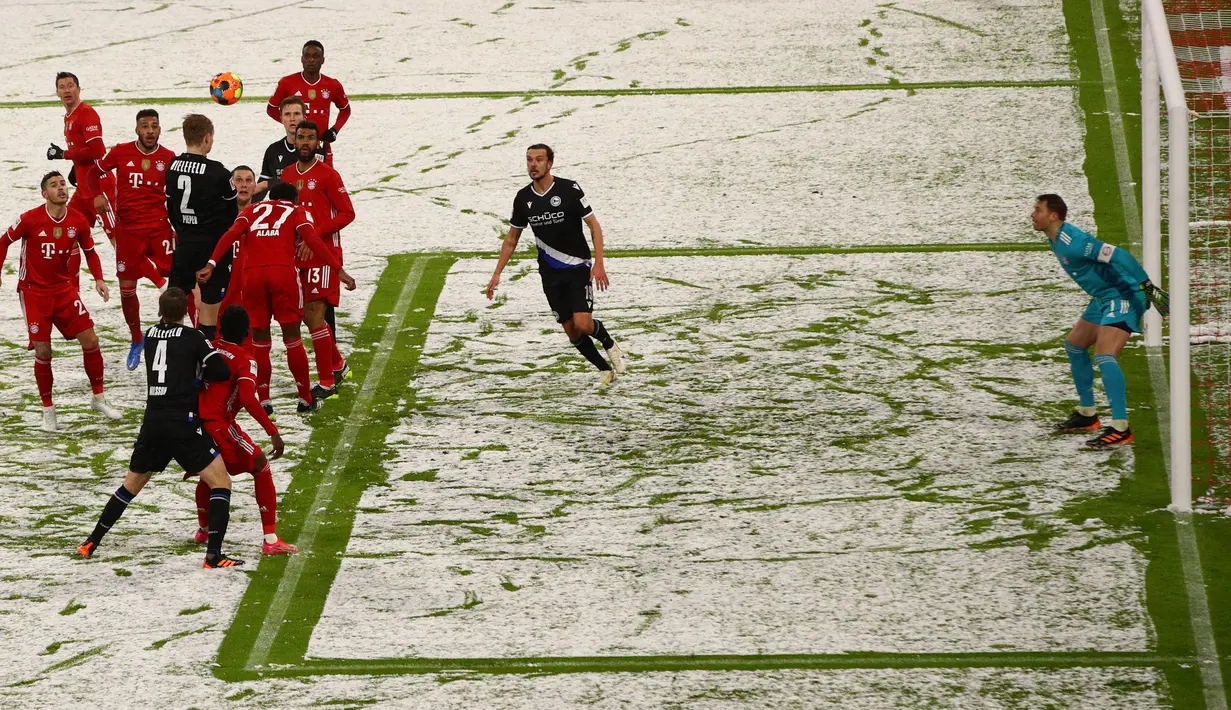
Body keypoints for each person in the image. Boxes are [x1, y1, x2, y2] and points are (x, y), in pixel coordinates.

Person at [77, 288, 244, 568]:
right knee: (221, 482)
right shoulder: (194, 337)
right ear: (184, 311)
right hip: (182, 423)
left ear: (161, 310)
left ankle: (92, 540)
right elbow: (221, 372)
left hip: (153, 421)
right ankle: (213, 555)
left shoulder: (151, 335)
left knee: (130, 486)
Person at [196, 182, 355, 413]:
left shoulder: (252, 210)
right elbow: (311, 239)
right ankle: (304, 398)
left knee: (260, 340)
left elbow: (231, 234)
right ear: (294, 200)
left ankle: (264, 400)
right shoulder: (296, 210)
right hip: (282, 274)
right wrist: (338, 270)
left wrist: (211, 264)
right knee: (292, 338)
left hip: (252, 276)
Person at [1032, 194, 1170, 448]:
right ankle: (1088, 415)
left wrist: (1149, 288)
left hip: (1123, 295)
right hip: (1104, 297)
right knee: (1074, 345)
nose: (1032, 214)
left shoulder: (1074, 241)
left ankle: (1121, 428)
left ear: (1053, 216)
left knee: (1105, 356)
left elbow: (1119, 256)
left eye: (1038, 210)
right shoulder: (1054, 239)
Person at [486, 144, 629, 386]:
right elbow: (511, 239)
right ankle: (605, 370)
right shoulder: (523, 198)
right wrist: (496, 273)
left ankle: (609, 343)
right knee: (571, 331)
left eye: (539, 160)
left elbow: (594, 225)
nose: (533, 164)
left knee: (583, 323)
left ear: (549, 164)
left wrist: (599, 263)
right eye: (529, 160)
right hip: (549, 274)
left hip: (577, 268)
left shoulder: (568, 189)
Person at [0, 172, 120, 431]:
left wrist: (99, 279)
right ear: (45, 194)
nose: (61, 188)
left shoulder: (77, 220)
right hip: (33, 293)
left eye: (63, 183)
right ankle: (48, 412)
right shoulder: (29, 219)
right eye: (54, 185)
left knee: (91, 340)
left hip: (64, 291)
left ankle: (98, 398)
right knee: (44, 352)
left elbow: (90, 250)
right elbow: (3, 242)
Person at [192, 304, 296, 554]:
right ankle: (271, 540)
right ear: (246, 333)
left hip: (194, 424)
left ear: (220, 328)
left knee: (211, 474)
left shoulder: (208, 347)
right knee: (261, 465)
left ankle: (203, 530)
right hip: (219, 424)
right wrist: (272, 431)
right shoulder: (244, 360)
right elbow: (249, 398)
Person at [92, 108, 178, 370]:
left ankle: (174, 336)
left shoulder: (169, 158)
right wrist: (95, 195)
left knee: (175, 287)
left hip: (160, 229)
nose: (150, 131)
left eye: (154, 126)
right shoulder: (120, 152)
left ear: (160, 130)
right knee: (127, 287)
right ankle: (136, 339)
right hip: (129, 231)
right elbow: (92, 173)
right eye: (145, 126)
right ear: (137, 129)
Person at [281, 121, 354, 398]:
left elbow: (347, 213)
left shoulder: (328, 175)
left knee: (314, 315)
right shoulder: (287, 174)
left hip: (323, 254)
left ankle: (328, 381)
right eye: (301, 137)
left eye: (311, 138)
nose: (306, 142)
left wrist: (315, 237)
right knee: (301, 314)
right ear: (295, 140)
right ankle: (337, 365)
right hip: (295, 254)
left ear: (317, 142)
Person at [165, 114, 237, 340]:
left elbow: (170, 207)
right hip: (212, 251)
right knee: (209, 312)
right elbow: (231, 215)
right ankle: (205, 360)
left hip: (184, 246)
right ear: (207, 137)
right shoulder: (219, 172)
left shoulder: (172, 167)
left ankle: (169, 354)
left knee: (173, 306)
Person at [266, 41, 350, 165]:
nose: (311, 60)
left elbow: (345, 110)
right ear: (302, 59)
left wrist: (334, 130)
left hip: (320, 145)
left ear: (322, 60)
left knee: (326, 181)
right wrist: (291, 124)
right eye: (307, 56)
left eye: (315, 56)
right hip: (295, 144)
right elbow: (271, 109)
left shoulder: (333, 85)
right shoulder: (287, 83)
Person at [47, 72, 105, 229]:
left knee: (116, 237)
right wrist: (76, 166)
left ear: (78, 90)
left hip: (99, 185)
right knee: (68, 228)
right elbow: (82, 147)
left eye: (70, 86)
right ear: (57, 92)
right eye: (62, 87)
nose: (67, 90)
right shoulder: (69, 116)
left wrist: (64, 154)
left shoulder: (86, 113)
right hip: (83, 187)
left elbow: (97, 150)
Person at [256, 97, 320, 200]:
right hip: (283, 210)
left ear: (304, 117)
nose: (292, 119)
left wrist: (269, 184)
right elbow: (260, 188)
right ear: (281, 119)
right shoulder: (273, 150)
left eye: (296, 114)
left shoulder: (316, 148)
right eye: (287, 114)